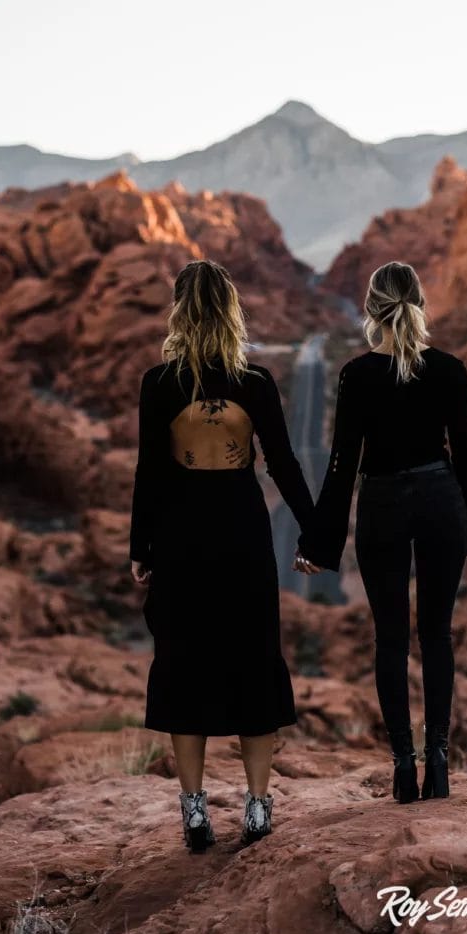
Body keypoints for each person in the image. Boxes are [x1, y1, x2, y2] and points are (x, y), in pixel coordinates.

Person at [129, 259, 315, 851]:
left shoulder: (160, 383)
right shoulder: (254, 381)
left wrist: (141, 548)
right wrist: (316, 532)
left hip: (182, 533)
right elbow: (283, 464)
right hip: (241, 529)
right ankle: (258, 807)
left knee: (184, 662)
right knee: (253, 658)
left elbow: (150, 471)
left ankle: (194, 810)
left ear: (179, 312)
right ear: (231, 310)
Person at [294, 261, 467, 804]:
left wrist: (319, 544)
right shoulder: (450, 369)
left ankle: (404, 765)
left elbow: (340, 465)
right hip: (441, 500)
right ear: (420, 303)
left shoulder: (356, 375)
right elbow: (466, 461)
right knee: (438, 636)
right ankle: (439, 765)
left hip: (382, 506)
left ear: (372, 311)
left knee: (392, 640)